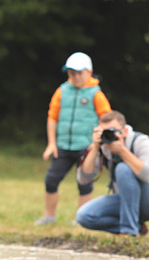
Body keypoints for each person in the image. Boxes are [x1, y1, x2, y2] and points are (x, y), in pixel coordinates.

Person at [36, 52, 111, 226]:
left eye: (79, 73)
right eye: (71, 73)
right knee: (51, 179)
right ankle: (49, 216)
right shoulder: (62, 91)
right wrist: (52, 143)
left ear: (89, 72)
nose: (75, 77)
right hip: (63, 146)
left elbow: (106, 119)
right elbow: (52, 117)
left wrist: (96, 144)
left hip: (86, 147)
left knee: (84, 182)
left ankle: (81, 218)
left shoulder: (96, 94)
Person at [75, 111, 149, 237]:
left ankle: (129, 231)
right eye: (104, 132)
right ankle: (137, 228)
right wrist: (95, 147)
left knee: (123, 168)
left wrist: (122, 151)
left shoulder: (141, 141)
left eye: (112, 130)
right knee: (84, 216)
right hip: (125, 199)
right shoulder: (105, 147)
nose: (108, 135)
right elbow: (84, 178)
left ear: (125, 131)